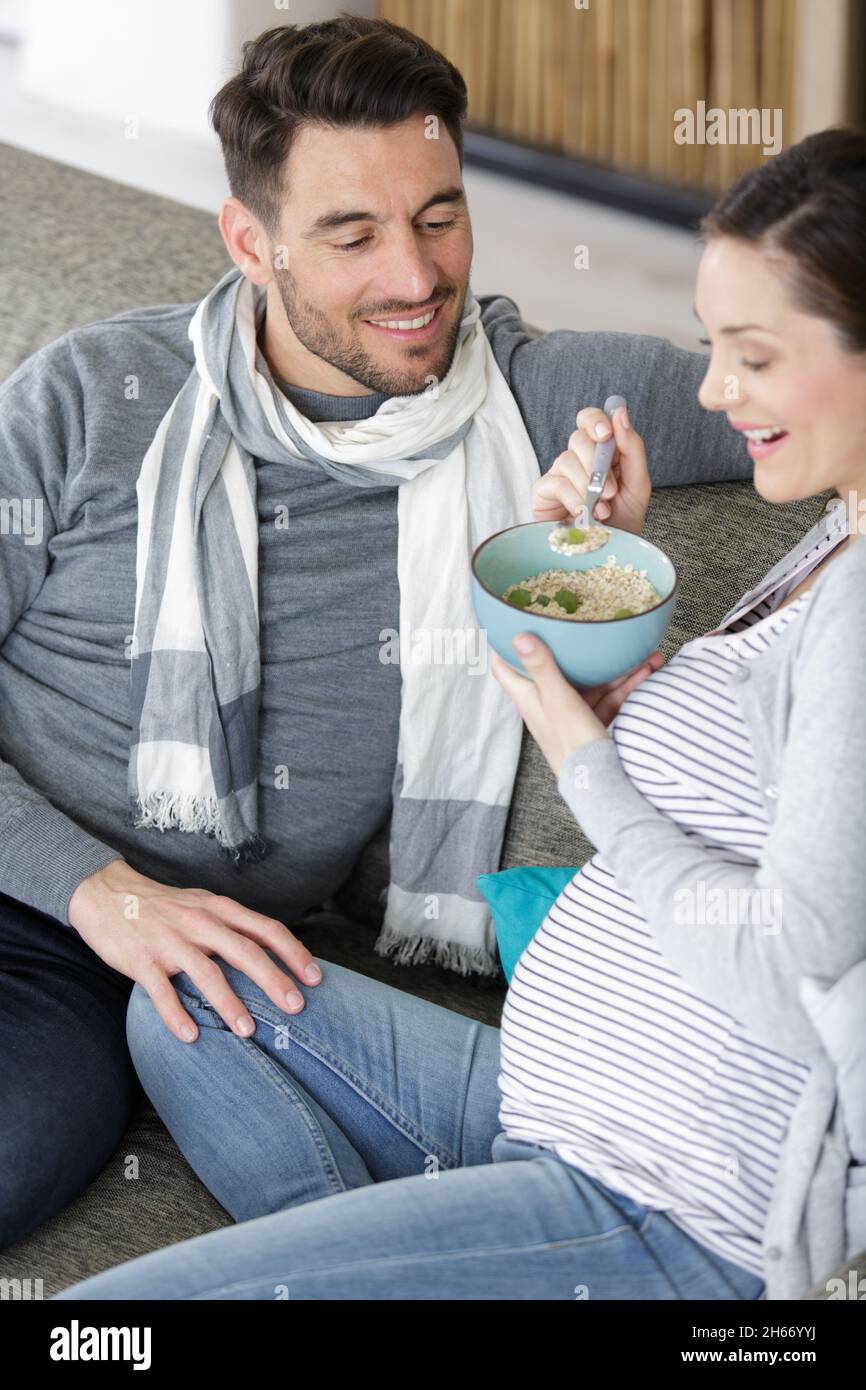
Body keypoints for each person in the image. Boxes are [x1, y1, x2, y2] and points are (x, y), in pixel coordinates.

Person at [55, 126, 866, 1301]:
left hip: (664, 1203)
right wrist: (597, 575)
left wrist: (582, 756)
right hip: (553, 1107)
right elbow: (749, 780)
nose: (710, 391)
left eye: (752, 354)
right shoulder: (830, 539)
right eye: (711, 347)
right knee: (194, 989)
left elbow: (791, 968)